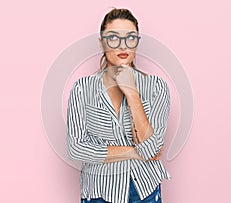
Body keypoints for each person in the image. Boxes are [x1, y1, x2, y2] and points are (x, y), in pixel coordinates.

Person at [66, 8, 172, 203]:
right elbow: (76, 148)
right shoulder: (82, 88)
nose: (123, 46)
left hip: (143, 190)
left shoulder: (156, 87)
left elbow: (152, 150)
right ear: (102, 42)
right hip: (99, 190)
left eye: (130, 38)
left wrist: (132, 93)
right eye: (113, 38)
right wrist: (133, 151)